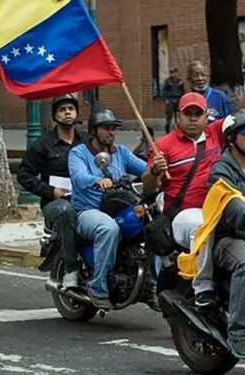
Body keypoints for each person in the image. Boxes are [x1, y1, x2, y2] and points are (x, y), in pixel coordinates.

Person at [144, 72, 245, 308]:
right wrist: (154, 171)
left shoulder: (214, 133)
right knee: (204, 226)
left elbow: (242, 116)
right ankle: (203, 289)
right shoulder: (162, 146)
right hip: (185, 215)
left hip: (221, 210)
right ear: (177, 116)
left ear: (205, 116)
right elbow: (149, 187)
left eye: (197, 114)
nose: (192, 119)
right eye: (187, 114)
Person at [68, 108, 164, 308]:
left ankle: (154, 287)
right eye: (106, 128)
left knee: (156, 227)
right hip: (88, 211)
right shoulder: (78, 153)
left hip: (118, 208)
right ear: (94, 131)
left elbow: (143, 169)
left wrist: (156, 170)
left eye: (113, 128)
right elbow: (78, 176)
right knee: (109, 228)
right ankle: (98, 287)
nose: (111, 132)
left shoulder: (120, 152)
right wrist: (98, 180)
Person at [190, 108, 245, 358]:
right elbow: (229, 201)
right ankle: (238, 333)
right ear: (232, 138)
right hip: (229, 238)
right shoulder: (222, 169)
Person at [16, 94, 85, 290]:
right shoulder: (43, 144)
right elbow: (24, 174)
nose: (67, 112)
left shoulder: (86, 140)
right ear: (55, 115)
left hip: (86, 199)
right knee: (65, 211)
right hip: (56, 203)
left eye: (71, 108)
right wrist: (50, 191)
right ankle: (71, 271)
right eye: (62, 110)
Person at [161, 68, 185, 133]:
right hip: (170, 100)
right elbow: (163, 91)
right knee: (169, 116)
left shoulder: (180, 82)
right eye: (172, 73)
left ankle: (179, 131)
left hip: (178, 100)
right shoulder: (167, 81)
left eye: (175, 73)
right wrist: (166, 100)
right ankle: (167, 131)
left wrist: (183, 100)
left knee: (178, 116)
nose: (174, 74)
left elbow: (183, 91)